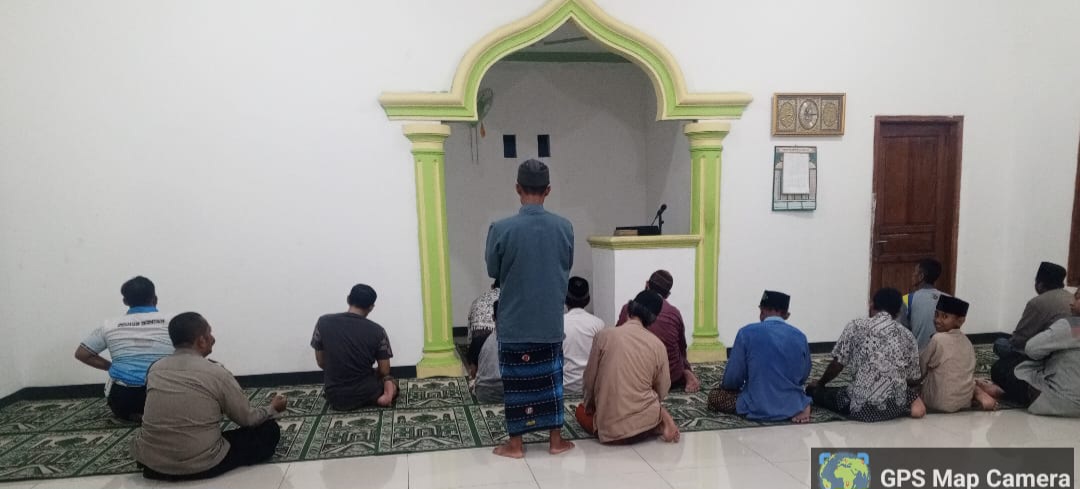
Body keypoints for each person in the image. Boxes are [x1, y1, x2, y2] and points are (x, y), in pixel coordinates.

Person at [484, 159, 575, 458]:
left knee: (516, 385)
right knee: (552, 382)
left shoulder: (500, 228)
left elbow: (493, 270)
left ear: (517, 188)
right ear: (548, 190)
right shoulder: (564, 227)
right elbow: (566, 264)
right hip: (549, 322)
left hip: (515, 323)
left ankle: (516, 445)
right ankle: (555, 442)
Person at [132, 312, 286, 481]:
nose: (213, 339)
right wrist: (272, 408)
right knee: (268, 430)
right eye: (209, 333)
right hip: (201, 463)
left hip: (152, 464)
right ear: (201, 340)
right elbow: (247, 419)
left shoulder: (155, 369)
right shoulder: (217, 373)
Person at [807, 288, 926, 422]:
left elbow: (837, 364)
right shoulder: (908, 335)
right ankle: (913, 404)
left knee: (818, 392)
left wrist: (820, 383)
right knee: (898, 389)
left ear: (872, 305)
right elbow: (914, 378)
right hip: (895, 408)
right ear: (898, 312)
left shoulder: (856, 326)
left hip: (861, 409)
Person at [576, 291, 680, 444]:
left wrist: (589, 405)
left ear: (630, 308)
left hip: (610, 431)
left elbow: (589, 379)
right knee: (649, 402)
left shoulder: (604, 336)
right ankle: (661, 420)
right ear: (653, 319)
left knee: (579, 411)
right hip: (646, 426)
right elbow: (663, 390)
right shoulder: (658, 345)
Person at [74, 276, 173, 422]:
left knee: (120, 392)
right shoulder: (174, 321)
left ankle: (135, 414)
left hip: (125, 399)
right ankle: (164, 412)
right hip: (166, 393)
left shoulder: (109, 326)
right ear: (155, 298)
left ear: (125, 301)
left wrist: (112, 367)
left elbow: (82, 354)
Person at [707, 290, 812, 423]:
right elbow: (803, 375)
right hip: (792, 404)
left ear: (762, 311)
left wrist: (729, 387)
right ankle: (803, 404)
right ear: (786, 315)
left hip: (756, 405)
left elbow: (733, 378)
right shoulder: (800, 336)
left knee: (714, 396)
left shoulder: (746, 333)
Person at [988, 287, 1080, 414]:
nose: (1071, 302)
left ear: (1039, 284)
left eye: (1077, 297)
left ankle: (1007, 394)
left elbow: (1031, 348)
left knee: (1001, 367)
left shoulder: (1074, 326)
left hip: (1060, 400)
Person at [311, 284, 397, 410]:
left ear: (348, 299)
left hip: (335, 394)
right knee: (389, 379)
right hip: (368, 392)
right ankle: (383, 397)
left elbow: (321, 362)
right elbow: (384, 370)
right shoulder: (378, 331)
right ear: (371, 307)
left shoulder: (323, 322)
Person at [991, 262, 1072, 396]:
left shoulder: (1039, 302)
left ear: (1039, 284)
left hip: (1044, 360)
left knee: (1001, 346)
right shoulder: (1071, 300)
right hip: (1064, 361)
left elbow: (1019, 341)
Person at [617, 270, 701, 393]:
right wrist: (686, 369)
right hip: (670, 377)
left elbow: (619, 339)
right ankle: (686, 373)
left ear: (647, 284)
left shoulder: (628, 308)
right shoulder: (674, 313)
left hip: (632, 375)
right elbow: (681, 347)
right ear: (667, 294)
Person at [917, 295, 997, 412]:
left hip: (937, 403)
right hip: (964, 403)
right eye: (936, 314)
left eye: (945, 317)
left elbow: (920, 370)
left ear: (960, 321)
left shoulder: (937, 339)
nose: (937, 320)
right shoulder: (967, 341)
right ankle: (980, 391)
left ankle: (980, 391)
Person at [562, 276, 605, 396]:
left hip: (564, 387)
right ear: (588, 299)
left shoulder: (559, 323)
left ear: (565, 299)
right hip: (591, 389)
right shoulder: (598, 324)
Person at [900, 258, 945, 352]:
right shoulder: (948, 299)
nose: (912, 275)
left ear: (921, 276)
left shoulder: (907, 299)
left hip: (918, 355)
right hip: (942, 354)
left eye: (914, 272)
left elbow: (903, 333)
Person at [474, 301, 505, 404]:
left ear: (493, 317)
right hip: (508, 392)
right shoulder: (517, 340)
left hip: (483, 393)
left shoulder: (480, 339)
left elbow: (473, 371)